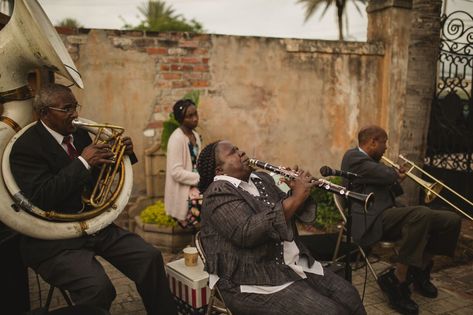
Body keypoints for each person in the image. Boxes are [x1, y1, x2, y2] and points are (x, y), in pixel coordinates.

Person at [10, 83, 177, 315]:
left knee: (149, 257)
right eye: (67, 109)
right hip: (54, 239)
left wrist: (120, 154)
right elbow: (42, 198)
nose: (75, 114)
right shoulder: (25, 146)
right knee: (98, 288)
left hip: (94, 226)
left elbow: (97, 178)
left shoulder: (78, 133)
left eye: (75, 106)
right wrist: (83, 162)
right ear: (44, 113)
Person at [195, 140, 366, 315]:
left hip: (291, 265)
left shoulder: (262, 179)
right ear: (219, 170)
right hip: (250, 281)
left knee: (349, 295)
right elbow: (246, 232)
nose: (241, 153)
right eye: (232, 153)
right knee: (330, 311)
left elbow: (297, 214)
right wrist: (295, 199)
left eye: (238, 149)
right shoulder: (218, 191)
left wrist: (297, 193)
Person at [341, 125, 461, 315]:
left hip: (390, 214)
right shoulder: (353, 157)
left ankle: (421, 269)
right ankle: (397, 279)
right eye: (384, 142)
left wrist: (398, 177)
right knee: (421, 214)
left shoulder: (373, 164)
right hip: (371, 219)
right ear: (373, 141)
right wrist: (394, 173)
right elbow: (386, 175)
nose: (386, 147)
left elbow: (392, 186)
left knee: (451, 220)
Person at [164, 99, 202, 228]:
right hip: (184, 193)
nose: (195, 118)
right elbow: (176, 172)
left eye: (195, 114)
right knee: (199, 225)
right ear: (181, 119)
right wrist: (200, 179)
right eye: (190, 116)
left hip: (197, 187)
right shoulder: (176, 139)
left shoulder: (195, 136)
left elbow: (198, 162)